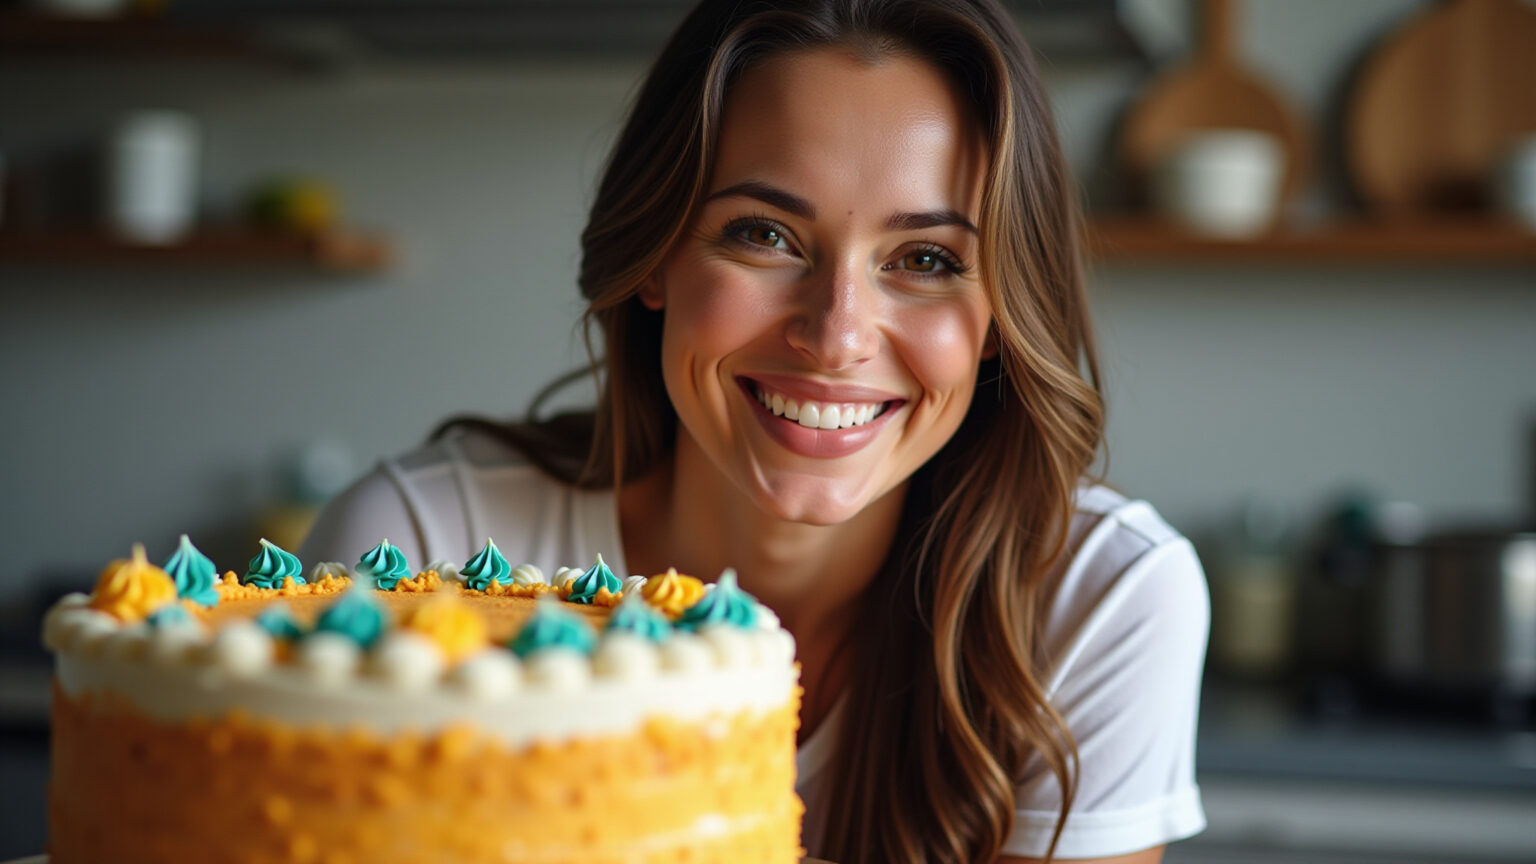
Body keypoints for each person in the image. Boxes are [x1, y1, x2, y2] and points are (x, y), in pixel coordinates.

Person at [301, 0, 1209, 861]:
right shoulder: (421, 553)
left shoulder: (1105, 600)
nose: (837, 334)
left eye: (926, 259)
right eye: (764, 235)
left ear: (1006, 315)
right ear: (656, 254)